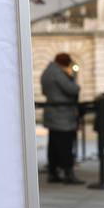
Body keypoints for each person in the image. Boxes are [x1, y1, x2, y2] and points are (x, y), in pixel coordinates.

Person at [41, 53, 84, 185]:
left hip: (53, 113)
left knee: (54, 145)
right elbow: (72, 89)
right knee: (65, 145)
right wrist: (73, 77)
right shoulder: (58, 73)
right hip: (62, 115)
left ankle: (53, 172)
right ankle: (68, 173)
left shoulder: (47, 71)